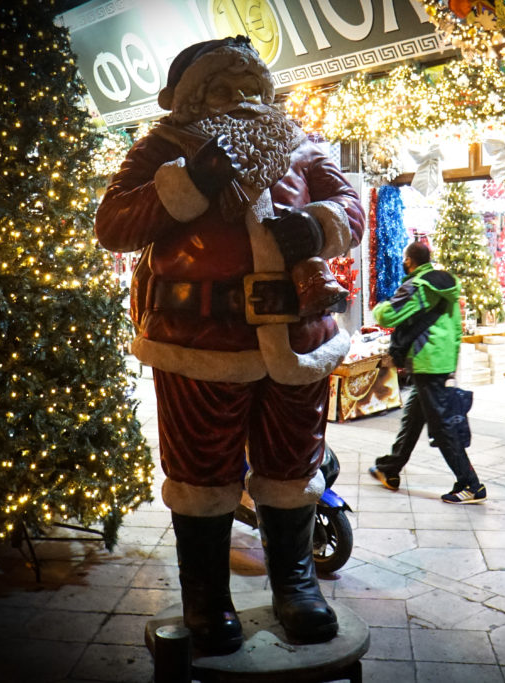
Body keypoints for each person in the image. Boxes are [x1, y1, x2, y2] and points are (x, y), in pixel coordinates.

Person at [94, 36, 364, 652]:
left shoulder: (299, 144)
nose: (243, 99)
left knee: (292, 467)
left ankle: (297, 586)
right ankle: (207, 600)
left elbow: (349, 204)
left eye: (252, 87)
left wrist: (318, 224)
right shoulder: (162, 148)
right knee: (202, 474)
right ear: (191, 98)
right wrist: (187, 181)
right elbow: (113, 225)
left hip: (296, 337)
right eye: (224, 88)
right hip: (199, 340)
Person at [369, 241, 486, 504]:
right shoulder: (446, 282)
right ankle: (390, 468)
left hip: (426, 362)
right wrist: (452, 360)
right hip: (440, 361)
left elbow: (387, 316)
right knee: (412, 420)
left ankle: (471, 484)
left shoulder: (418, 286)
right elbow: (456, 329)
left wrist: (378, 307)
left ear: (409, 261)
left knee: (442, 427)